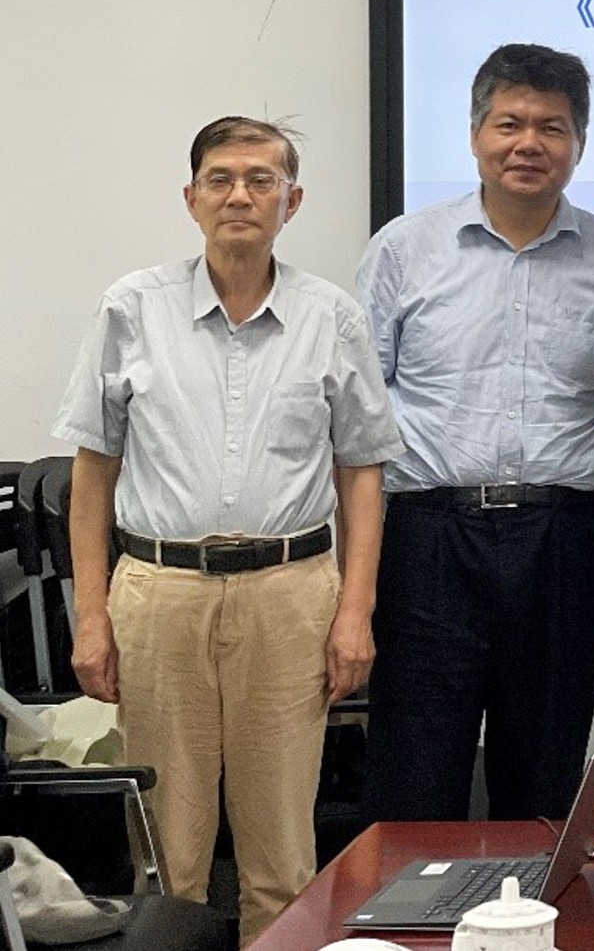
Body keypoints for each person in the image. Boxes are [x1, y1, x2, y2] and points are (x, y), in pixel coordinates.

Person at [55, 117, 402, 944]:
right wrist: (92, 614)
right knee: (168, 850)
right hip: (160, 592)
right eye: (220, 178)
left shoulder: (332, 316)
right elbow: (92, 475)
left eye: (260, 179)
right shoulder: (132, 307)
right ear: (191, 198)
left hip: (290, 593)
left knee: (281, 851)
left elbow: (361, 474)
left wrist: (356, 612)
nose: (239, 195)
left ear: (292, 200)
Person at [358, 43, 594, 823]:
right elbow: (357, 426)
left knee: (544, 779)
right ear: (475, 134)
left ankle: (529, 907)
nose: (529, 144)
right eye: (509, 123)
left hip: (564, 540)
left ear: (579, 142)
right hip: (429, 538)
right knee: (415, 777)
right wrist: (354, 582)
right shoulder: (403, 248)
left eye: (552, 127)